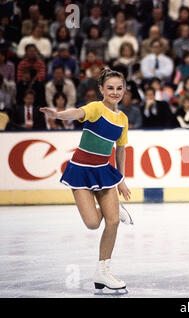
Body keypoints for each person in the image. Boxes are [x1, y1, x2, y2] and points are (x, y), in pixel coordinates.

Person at [39, 68, 133, 292]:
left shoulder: (123, 119)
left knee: (112, 222)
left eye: (119, 88)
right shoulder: (95, 108)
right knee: (92, 223)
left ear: (124, 90)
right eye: (110, 88)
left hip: (104, 171)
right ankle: (112, 208)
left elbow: (121, 150)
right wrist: (58, 115)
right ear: (101, 89)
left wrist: (121, 179)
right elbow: (76, 113)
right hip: (81, 171)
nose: (115, 92)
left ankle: (103, 271)